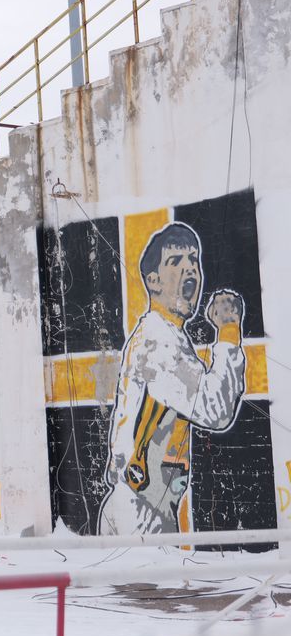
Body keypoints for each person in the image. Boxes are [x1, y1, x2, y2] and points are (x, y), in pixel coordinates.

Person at [98, 222, 246, 535]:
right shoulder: (159, 342)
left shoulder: (162, 337)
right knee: (154, 584)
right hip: (142, 510)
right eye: (175, 261)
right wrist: (229, 330)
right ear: (153, 281)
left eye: (194, 259)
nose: (190, 267)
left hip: (138, 502)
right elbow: (214, 409)